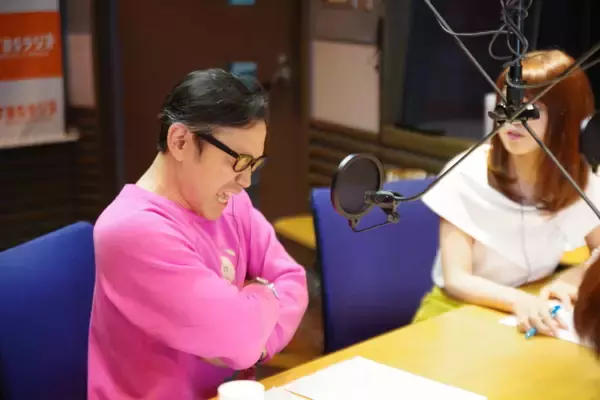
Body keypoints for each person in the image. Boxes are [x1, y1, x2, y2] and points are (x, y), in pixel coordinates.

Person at [87, 69, 309, 399]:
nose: (246, 181)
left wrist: (256, 345)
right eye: (239, 161)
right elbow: (237, 336)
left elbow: (292, 278)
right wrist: (263, 294)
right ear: (180, 141)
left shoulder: (232, 203)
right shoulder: (131, 230)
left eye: (254, 164)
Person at [412, 49, 600, 337]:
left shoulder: (577, 178)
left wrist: (571, 280)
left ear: (565, 119)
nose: (513, 120)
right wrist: (520, 302)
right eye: (506, 105)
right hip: (455, 310)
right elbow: (457, 279)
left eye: (530, 110)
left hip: (531, 307)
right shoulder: (466, 171)